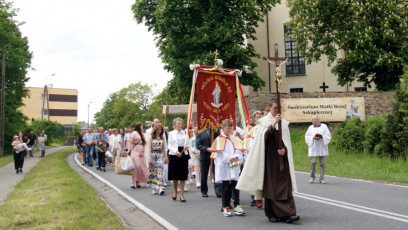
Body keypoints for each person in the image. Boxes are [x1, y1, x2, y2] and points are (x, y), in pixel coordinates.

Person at [237, 101, 299, 224]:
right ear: (269, 107)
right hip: (270, 160)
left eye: (279, 107)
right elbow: (264, 139)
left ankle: (288, 213)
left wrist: (284, 151)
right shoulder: (264, 122)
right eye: (275, 107)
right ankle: (273, 214)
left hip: (282, 159)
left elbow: (286, 143)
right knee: (272, 187)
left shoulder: (284, 124)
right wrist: (273, 124)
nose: (278, 110)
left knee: (285, 186)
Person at [210, 119, 245, 217]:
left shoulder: (234, 138)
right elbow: (221, 153)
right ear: (223, 128)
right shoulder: (219, 139)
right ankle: (225, 205)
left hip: (234, 164)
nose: (229, 131)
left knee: (236, 185)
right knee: (226, 186)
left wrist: (236, 156)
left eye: (231, 129)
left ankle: (237, 205)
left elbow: (238, 149)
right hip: (224, 165)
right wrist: (230, 158)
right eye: (227, 129)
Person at [196, 125, 221, 198]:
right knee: (204, 173)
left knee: (216, 173)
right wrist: (206, 149)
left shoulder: (215, 130)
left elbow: (219, 139)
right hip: (204, 155)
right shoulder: (199, 131)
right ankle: (204, 191)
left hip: (214, 154)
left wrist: (215, 131)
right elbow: (198, 145)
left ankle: (218, 191)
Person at [305, 115, 331, 184]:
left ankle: (322, 178)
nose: (312, 121)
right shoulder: (310, 127)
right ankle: (312, 177)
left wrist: (322, 137)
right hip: (314, 147)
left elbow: (328, 135)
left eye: (313, 119)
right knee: (313, 162)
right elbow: (307, 136)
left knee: (322, 163)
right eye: (311, 119)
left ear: (317, 120)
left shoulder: (324, 126)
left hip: (322, 147)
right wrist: (312, 138)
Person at [167, 118, 189, 202]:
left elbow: (188, 143)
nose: (180, 125)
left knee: (183, 175)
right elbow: (169, 145)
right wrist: (175, 151)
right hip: (174, 154)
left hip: (183, 153)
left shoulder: (185, 133)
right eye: (179, 123)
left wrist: (187, 146)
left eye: (181, 123)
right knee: (175, 175)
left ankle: (182, 194)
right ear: (175, 125)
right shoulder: (171, 134)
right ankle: (175, 191)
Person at [147, 124, 168, 195]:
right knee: (153, 172)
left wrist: (165, 157)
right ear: (155, 130)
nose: (159, 131)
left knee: (160, 172)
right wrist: (149, 157)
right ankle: (154, 187)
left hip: (160, 155)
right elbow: (149, 148)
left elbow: (164, 148)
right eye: (158, 129)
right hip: (153, 155)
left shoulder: (162, 138)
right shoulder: (151, 138)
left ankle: (160, 187)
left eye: (160, 129)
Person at [127, 122, 148, 189]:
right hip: (135, 150)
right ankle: (132, 181)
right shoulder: (134, 133)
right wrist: (129, 150)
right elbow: (130, 142)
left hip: (140, 150)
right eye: (141, 126)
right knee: (136, 166)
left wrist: (143, 151)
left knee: (142, 166)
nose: (142, 128)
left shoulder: (142, 134)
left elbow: (144, 143)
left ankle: (138, 181)